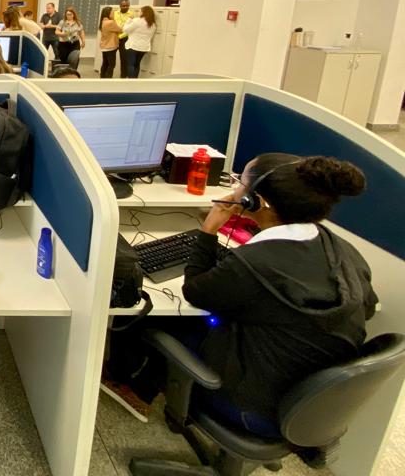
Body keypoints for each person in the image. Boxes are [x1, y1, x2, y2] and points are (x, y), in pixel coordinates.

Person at [106, 154, 377, 435]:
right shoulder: (342, 250)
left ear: (256, 201)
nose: (235, 189)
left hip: (253, 407)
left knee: (158, 317)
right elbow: (368, 308)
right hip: (314, 405)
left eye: (241, 183)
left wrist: (209, 228)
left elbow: (194, 291)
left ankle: (133, 387)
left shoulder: (255, 263)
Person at [123, 5, 156, 79]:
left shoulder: (137, 21)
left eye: (140, 11)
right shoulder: (153, 24)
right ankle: (135, 81)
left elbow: (125, 29)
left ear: (144, 12)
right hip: (144, 47)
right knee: (137, 64)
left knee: (131, 64)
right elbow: (150, 36)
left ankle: (131, 82)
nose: (138, 13)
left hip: (133, 46)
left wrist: (129, 20)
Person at [98, 6, 122, 79]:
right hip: (110, 46)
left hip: (105, 46)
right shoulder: (111, 22)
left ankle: (102, 78)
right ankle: (108, 80)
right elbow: (120, 29)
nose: (114, 14)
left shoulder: (103, 21)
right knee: (111, 65)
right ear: (108, 13)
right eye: (112, 12)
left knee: (105, 63)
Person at [112, 0, 134, 78]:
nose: (125, 7)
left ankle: (123, 77)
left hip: (124, 38)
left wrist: (120, 36)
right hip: (114, 37)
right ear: (120, 6)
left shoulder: (131, 14)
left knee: (124, 59)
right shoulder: (115, 13)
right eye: (123, 6)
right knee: (110, 58)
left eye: (127, 6)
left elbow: (131, 28)